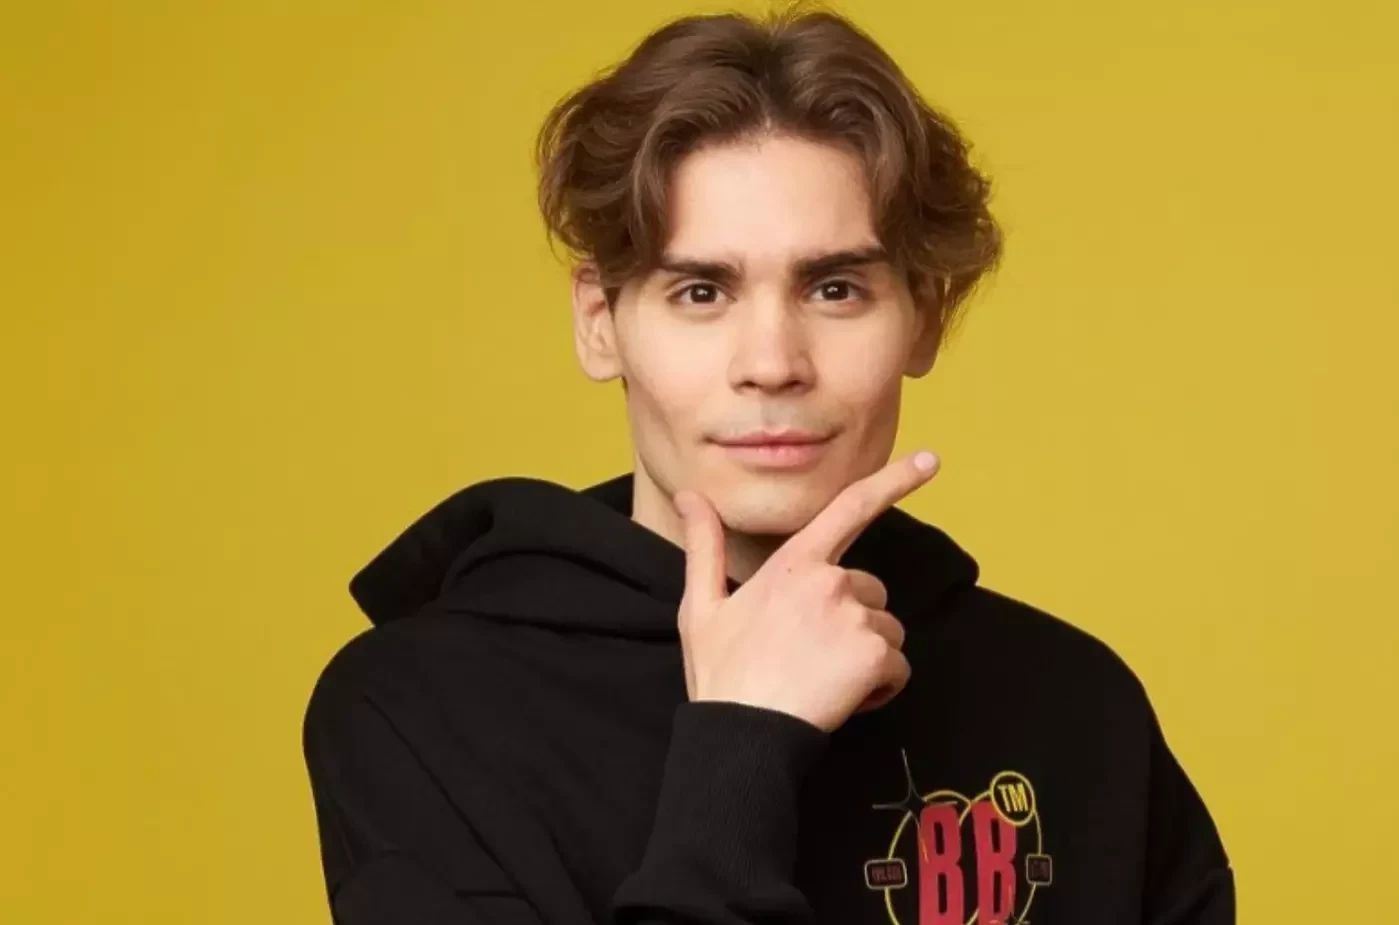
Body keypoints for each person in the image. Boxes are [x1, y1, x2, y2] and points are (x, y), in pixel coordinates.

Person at [301, 7, 1234, 924]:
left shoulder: (1074, 704)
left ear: (925, 315)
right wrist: (741, 745)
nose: (773, 362)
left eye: (835, 288)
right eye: (701, 291)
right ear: (600, 322)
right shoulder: (419, 709)